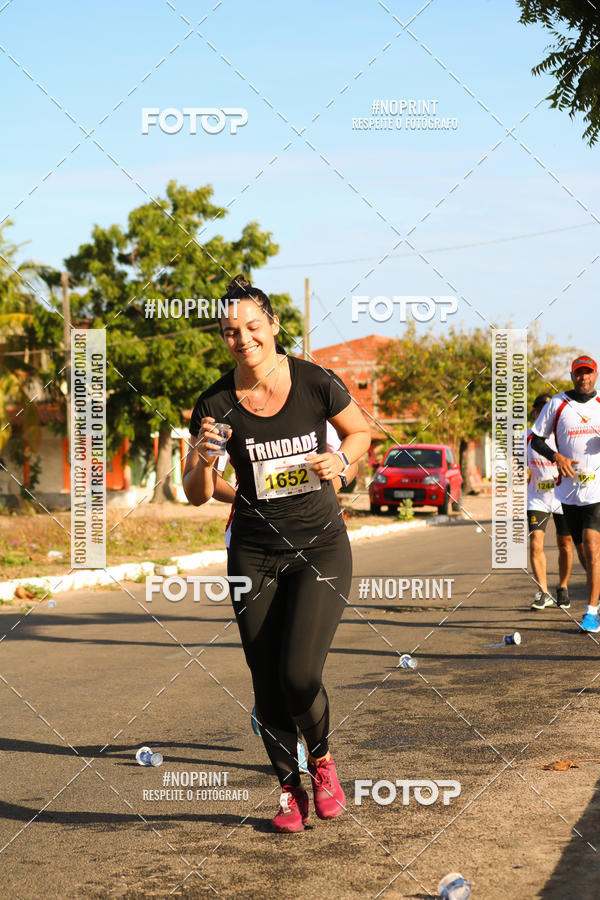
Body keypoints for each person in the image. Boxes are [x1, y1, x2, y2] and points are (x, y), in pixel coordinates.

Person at [183, 275, 371, 832]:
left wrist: (344, 462)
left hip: (320, 547)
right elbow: (198, 493)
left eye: (252, 327)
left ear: (273, 327)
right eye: (230, 331)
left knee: (297, 673)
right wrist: (200, 456)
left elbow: (359, 434)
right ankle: (289, 791)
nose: (242, 339)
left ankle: (322, 759)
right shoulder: (215, 404)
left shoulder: (315, 381)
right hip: (254, 553)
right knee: (265, 680)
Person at [531, 355, 600, 632]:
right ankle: (597, 593)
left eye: (588, 372)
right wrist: (556, 455)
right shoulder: (557, 404)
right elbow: (537, 439)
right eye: (579, 373)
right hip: (568, 492)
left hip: (597, 490)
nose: (583, 377)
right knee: (582, 552)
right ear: (572, 376)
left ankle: (591, 612)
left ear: (595, 375)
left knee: (592, 547)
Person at [527, 393, 573, 610]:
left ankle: (562, 587)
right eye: (539, 410)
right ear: (535, 412)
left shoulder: (563, 436)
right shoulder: (527, 437)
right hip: (537, 498)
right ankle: (543, 592)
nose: (543, 413)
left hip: (562, 496)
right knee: (536, 542)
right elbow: (520, 467)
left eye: (547, 410)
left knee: (565, 544)